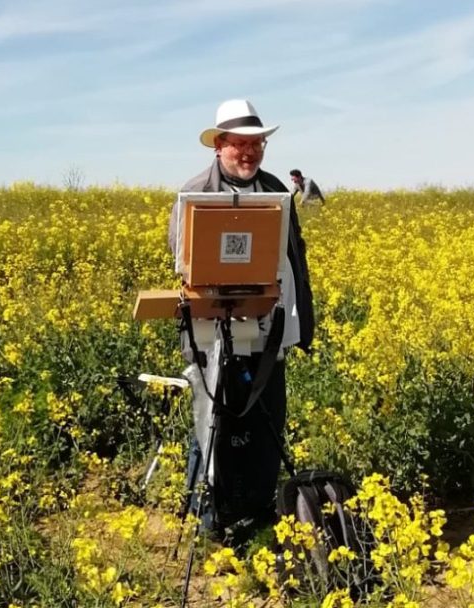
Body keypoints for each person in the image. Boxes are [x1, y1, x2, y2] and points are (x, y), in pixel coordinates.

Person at [167, 99, 314, 545]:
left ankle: (259, 503)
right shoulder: (194, 192)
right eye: (240, 145)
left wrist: (299, 320)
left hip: (268, 328)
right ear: (219, 146)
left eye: (257, 144)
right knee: (211, 420)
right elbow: (183, 261)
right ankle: (207, 511)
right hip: (214, 329)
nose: (249, 153)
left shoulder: (276, 190)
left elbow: (294, 258)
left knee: (267, 413)